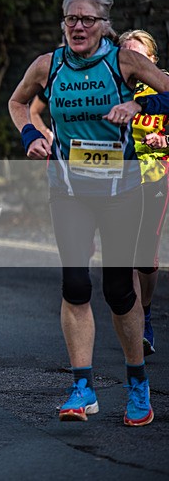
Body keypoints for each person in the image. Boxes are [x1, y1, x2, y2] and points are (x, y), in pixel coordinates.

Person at [9, 0, 169, 427]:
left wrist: (140, 104)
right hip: (69, 189)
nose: (78, 27)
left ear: (104, 25)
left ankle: (137, 384)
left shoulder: (125, 61)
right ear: (64, 24)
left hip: (122, 191)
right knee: (75, 285)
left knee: (120, 290)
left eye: (87, 20)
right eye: (71, 20)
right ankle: (82, 388)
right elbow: (18, 103)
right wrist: (31, 136)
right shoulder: (48, 65)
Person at [119, 29, 169, 358]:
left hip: (156, 175)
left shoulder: (164, 84)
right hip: (119, 176)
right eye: (127, 57)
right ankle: (133, 323)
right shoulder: (113, 85)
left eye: (139, 57)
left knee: (145, 256)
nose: (132, 63)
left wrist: (165, 141)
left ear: (151, 59)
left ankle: (146, 313)